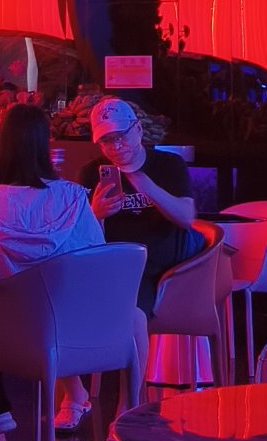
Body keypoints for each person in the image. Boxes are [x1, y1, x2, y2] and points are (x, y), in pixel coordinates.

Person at [0, 102, 104, 441]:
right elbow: (95, 260)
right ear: (44, 145)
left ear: (2, 147)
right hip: (69, 327)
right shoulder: (72, 197)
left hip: (8, 333)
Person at [85, 95, 202, 306]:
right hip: (113, 263)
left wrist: (150, 189)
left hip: (161, 265)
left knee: (125, 297)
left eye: (121, 136)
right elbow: (85, 241)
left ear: (138, 129)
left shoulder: (169, 164)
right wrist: (97, 215)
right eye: (106, 140)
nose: (116, 146)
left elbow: (186, 218)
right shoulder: (91, 173)